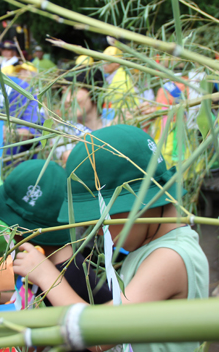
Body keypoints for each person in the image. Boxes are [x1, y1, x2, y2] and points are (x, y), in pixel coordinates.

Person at [13, 124, 209, 352]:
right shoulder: (152, 244)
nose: (96, 231)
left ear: (139, 202)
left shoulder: (170, 257)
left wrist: (47, 277)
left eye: (101, 218)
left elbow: (98, 336)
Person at [0, 159, 111, 306]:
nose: (8, 228)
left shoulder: (68, 280)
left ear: (22, 229)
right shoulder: (26, 255)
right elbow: (4, 297)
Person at [55, 68, 109, 164]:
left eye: (74, 90)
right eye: (64, 92)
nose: (67, 99)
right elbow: (73, 160)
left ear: (94, 91)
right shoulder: (63, 131)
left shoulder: (113, 119)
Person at [102, 46, 138, 121]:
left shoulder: (121, 80)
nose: (104, 63)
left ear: (117, 63)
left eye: (108, 60)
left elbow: (115, 106)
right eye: (103, 59)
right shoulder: (113, 77)